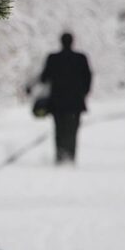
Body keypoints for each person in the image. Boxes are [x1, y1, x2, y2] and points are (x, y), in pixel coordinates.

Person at [38, 32, 92, 164]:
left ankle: (60, 156)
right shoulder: (81, 58)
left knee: (59, 129)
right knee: (73, 129)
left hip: (57, 102)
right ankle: (70, 156)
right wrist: (83, 93)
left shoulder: (53, 58)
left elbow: (44, 77)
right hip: (75, 102)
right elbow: (88, 78)